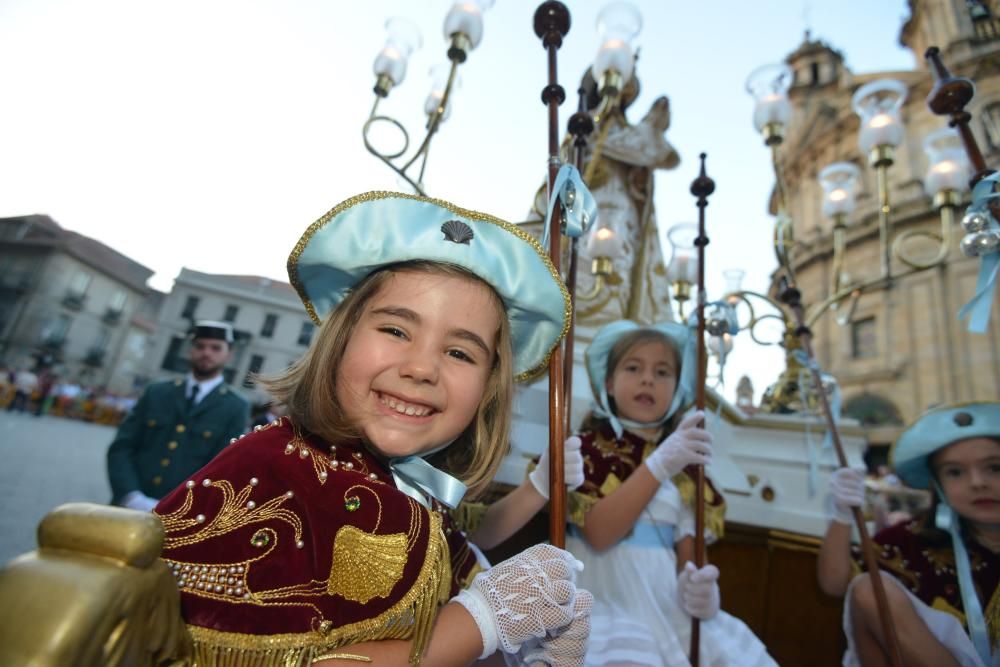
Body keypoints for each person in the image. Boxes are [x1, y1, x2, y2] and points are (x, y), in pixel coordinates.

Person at [153, 192, 593, 667]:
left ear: (487, 389)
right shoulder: (269, 473)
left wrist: (530, 651)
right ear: (340, 339)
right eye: (396, 331)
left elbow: (466, 542)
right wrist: (480, 623)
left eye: (460, 353)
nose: (422, 368)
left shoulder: (407, 483)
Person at [474, 320, 775, 666]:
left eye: (662, 372)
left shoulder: (690, 473)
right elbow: (600, 534)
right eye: (634, 368)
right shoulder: (585, 453)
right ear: (609, 385)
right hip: (600, 603)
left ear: (677, 389)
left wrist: (701, 593)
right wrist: (660, 464)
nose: (648, 379)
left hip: (666, 609)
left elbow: (690, 561)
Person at [818, 401, 1000, 667]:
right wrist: (843, 514)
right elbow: (835, 584)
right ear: (937, 484)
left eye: (995, 468)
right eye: (955, 472)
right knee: (867, 588)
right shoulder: (911, 542)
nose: (977, 482)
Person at [106, 320, 250, 511]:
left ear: (229, 356)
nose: (206, 353)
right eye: (200, 346)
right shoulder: (156, 392)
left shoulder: (236, 406)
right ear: (190, 350)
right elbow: (122, 447)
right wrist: (130, 496)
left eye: (216, 348)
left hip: (181, 516)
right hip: (127, 507)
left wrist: (179, 507)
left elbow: (223, 469)